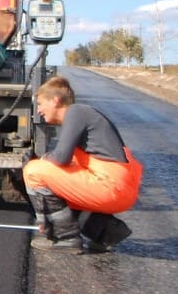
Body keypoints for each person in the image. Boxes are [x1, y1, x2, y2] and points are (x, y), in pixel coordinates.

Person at [23, 76, 144, 253]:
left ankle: (64, 237)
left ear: (55, 100)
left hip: (110, 186)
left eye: (41, 103)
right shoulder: (81, 116)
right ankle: (106, 231)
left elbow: (61, 157)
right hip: (118, 187)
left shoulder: (76, 112)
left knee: (34, 171)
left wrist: (40, 160)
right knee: (55, 189)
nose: (39, 110)